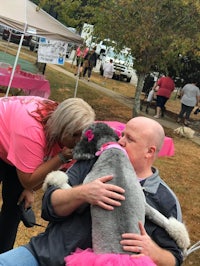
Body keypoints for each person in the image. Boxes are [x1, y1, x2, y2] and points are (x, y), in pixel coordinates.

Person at [0, 117, 184, 266]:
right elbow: (48, 206)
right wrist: (83, 193)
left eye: (130, 139)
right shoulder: (93, 163)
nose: (120, 141)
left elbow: (176, 257)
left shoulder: (164, 199)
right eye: (122, 134)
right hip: (46, 255)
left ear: (149, 152)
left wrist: (155, 252)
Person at [0, 95, 95, 253]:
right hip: (5, 132)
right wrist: (62, 158)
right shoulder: (32, 130)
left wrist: (29, 188)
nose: (79, 141)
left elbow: (34, 180)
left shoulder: (66, 128)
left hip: (17, 146)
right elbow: (29, 180)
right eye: (75, 135)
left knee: (15, 206)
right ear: (62, 128)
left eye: (83, 135)